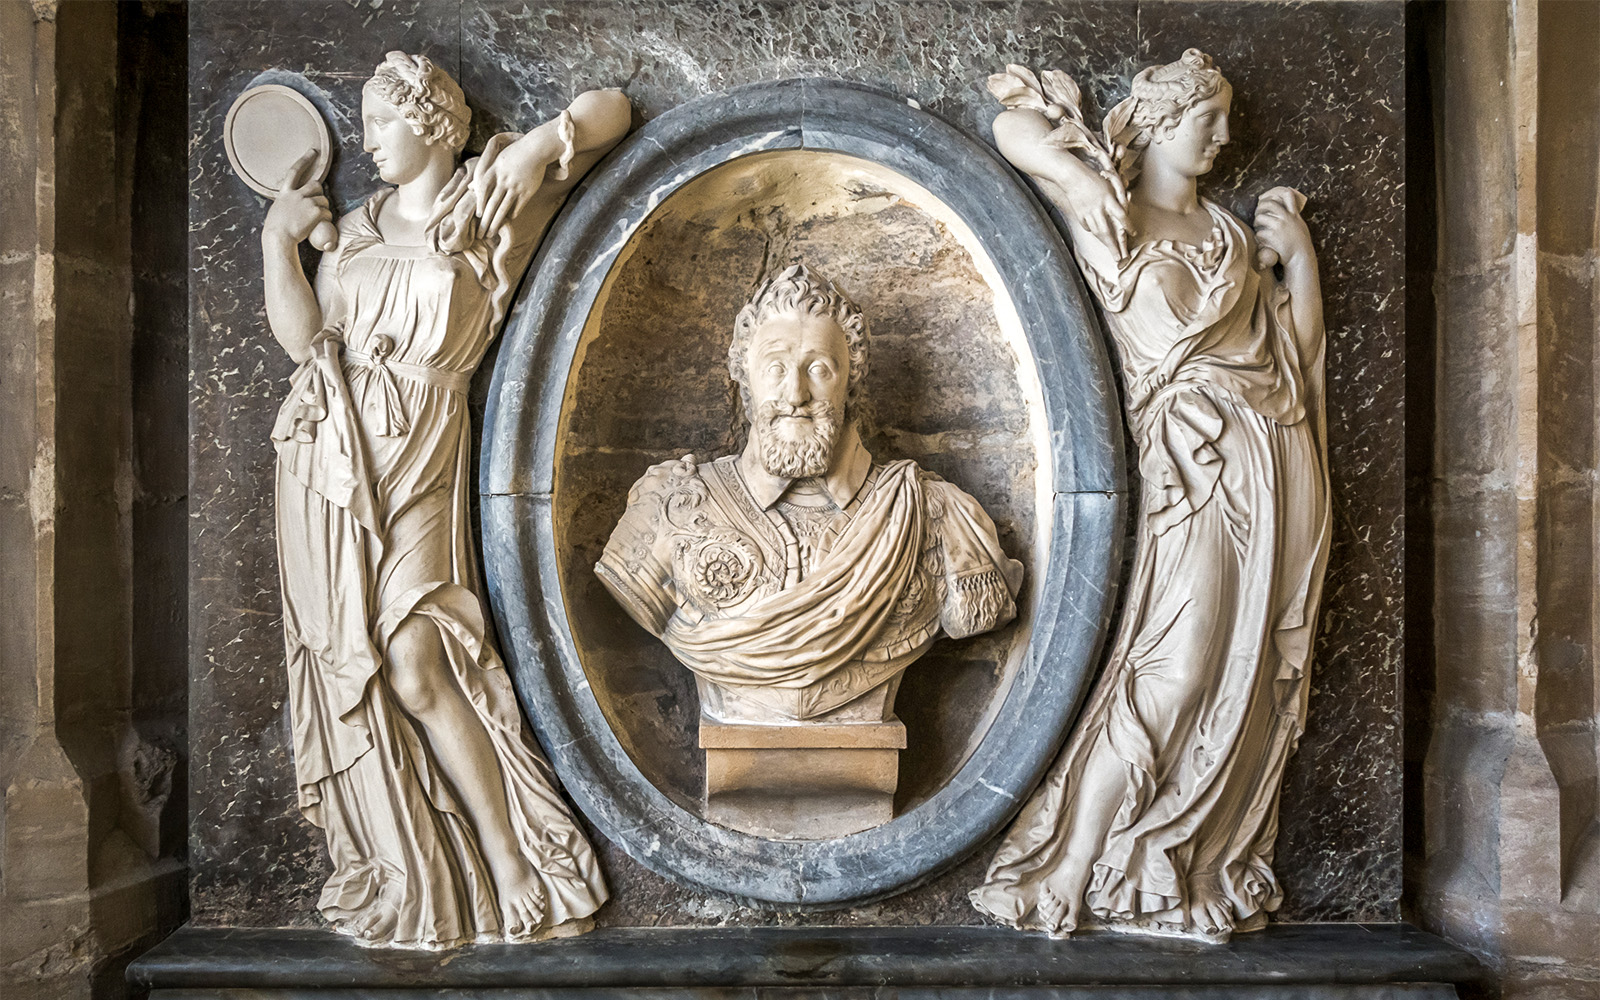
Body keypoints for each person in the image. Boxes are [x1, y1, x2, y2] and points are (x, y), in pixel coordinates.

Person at [260, 51, 630, 948]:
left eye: (379, 122)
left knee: (419, 656)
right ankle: (429, 867)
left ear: (428, 122)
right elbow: (308, 343)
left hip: (424, 443)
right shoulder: (350, 230)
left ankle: (509, 858)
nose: (366, 142)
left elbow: (615, 106)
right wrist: (278, 245)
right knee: (368, 668)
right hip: (326, 457)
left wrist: (538, 142)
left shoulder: (487, 205)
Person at [970, 50, 1331, 941]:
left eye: (1224, 120)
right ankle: (1082, 858)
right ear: (1163, 120)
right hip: (1185, 479)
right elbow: (1008, 126)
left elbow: (1296, 356)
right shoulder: (1110, 207)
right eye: (1207, 118)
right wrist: (1063, 168)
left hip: (1272, 466)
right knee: (1170, 670)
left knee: (1233, 681)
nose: (1222, 135)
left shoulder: (1230, 235)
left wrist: (1302, 262)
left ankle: (1184, 859)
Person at [595, 263, 1024, 726]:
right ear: (745, 377)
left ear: (850, 380)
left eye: (818, 368)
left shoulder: (931, 513)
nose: (795, 392)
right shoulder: (672, 505)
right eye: (775, 367)